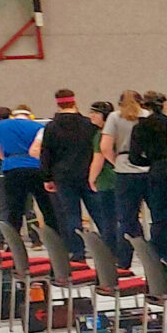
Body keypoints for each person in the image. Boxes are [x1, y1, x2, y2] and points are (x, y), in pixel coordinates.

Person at [130, 90, 167, 270]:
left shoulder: (140, 127)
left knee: (160, 216)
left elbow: (134, 157)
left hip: (158, 171)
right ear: (164, 104)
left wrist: (152, 162)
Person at [38, 89, 97, 246]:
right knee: (98, 213)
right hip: (88, 173)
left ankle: (77, 251)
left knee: (71, 215)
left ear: (58, 104)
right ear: (74, 102)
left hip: (62, 175)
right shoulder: (88, 124)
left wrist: (47, 177)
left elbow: (46, 153)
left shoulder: (51, 126)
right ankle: (108, 249)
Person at [0, 104, 45, 235]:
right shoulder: (39, 127)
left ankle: (13, 239)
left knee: (14, 207)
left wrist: (7, 159)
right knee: (45, 205)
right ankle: (53, 237)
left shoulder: (0, 126)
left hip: (12, 167)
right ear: (30, 115)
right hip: (35, 167)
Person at [84, 100, 121, 246]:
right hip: (119, 179)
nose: (91, 116)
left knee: (108, 218)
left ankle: (111, 248)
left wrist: (91, 178)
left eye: (95, 113)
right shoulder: (117, 131)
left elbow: (98, 160)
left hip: (106, 180)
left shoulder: (102, 135)